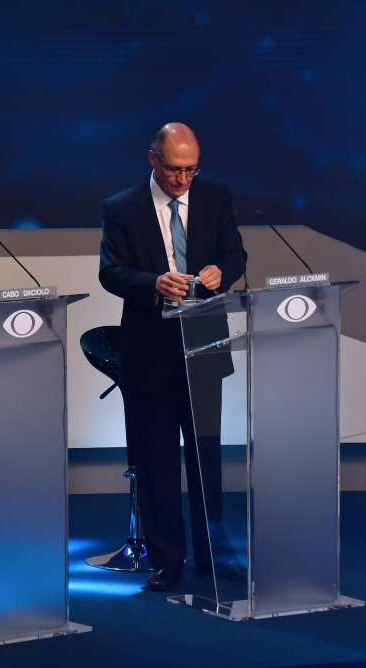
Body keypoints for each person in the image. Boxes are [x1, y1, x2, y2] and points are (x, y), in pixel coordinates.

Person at [99, 123, 247, 592]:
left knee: (205, 456)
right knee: (157, 460)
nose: (184, 179)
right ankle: (167, 559)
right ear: (152, 160)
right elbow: (111, 272)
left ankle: (212, 555)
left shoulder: (216, 196)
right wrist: (153, 282)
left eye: (191, 169)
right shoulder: (122, 207)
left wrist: (221, 271)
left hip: (203, 345)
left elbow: (235, 254)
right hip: (150, 350)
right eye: (175, 169)